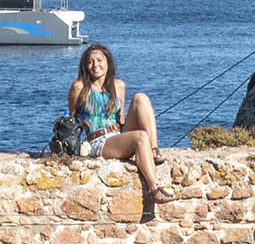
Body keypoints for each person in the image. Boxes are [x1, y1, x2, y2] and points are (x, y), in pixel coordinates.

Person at [66, 43, 174, 205]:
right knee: (140, 137)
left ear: (108, 62)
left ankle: (153, 150)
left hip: (117, 135)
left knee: (140, 98)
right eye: (90, 62)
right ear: (85, 66)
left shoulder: (118, 85)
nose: (96, 65)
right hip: (98, 142)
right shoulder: (79, 87)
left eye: (99, 60)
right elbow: (72, 120)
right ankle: (154, 188)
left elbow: (121, 119)